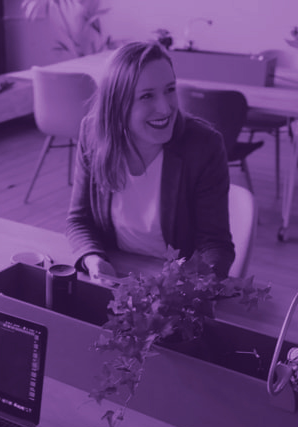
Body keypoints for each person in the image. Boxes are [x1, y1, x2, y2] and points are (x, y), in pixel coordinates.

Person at [66, 41, 235, 280]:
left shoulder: (204, 145)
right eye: (147, 96)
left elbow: (215, 245)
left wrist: (190, 287)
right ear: (117, 107)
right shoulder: (92, 133)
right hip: (115, 275)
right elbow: (79, 219)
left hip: (176, 284)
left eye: (169, 89)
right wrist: (93, 260)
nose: (165, 108)